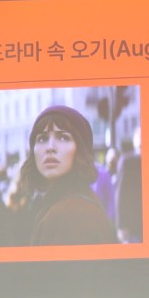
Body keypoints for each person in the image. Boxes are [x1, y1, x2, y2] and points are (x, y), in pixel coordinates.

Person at [18, 105, 117, 246]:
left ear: (80, 149)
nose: (50, 147)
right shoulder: (68, 203)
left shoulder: (70, 215)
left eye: (63, 137)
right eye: (42, 138)